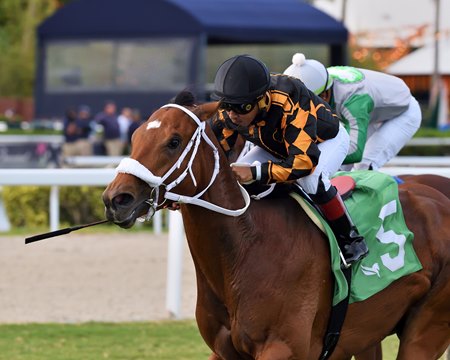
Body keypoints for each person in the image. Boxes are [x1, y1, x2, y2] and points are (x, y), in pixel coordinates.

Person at [210, 54, 368, 266]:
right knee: (240, 181)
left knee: (312, 181)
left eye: (242, 107)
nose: (232, 115)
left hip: (324, 141)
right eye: (228, 105)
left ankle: (351, 240)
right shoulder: (229, 112)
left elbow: (304, 162)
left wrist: (257, 173)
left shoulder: (290, 99)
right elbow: (214, 155)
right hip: (277, 145)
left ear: (262, 98)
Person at [283, 53, 422, 171]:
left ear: (324, 95)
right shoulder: (319, 79)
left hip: (403, 112)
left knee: (364, 164)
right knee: (339, 167)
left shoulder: (353, 101)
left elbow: (355, 152)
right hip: (373, 108)